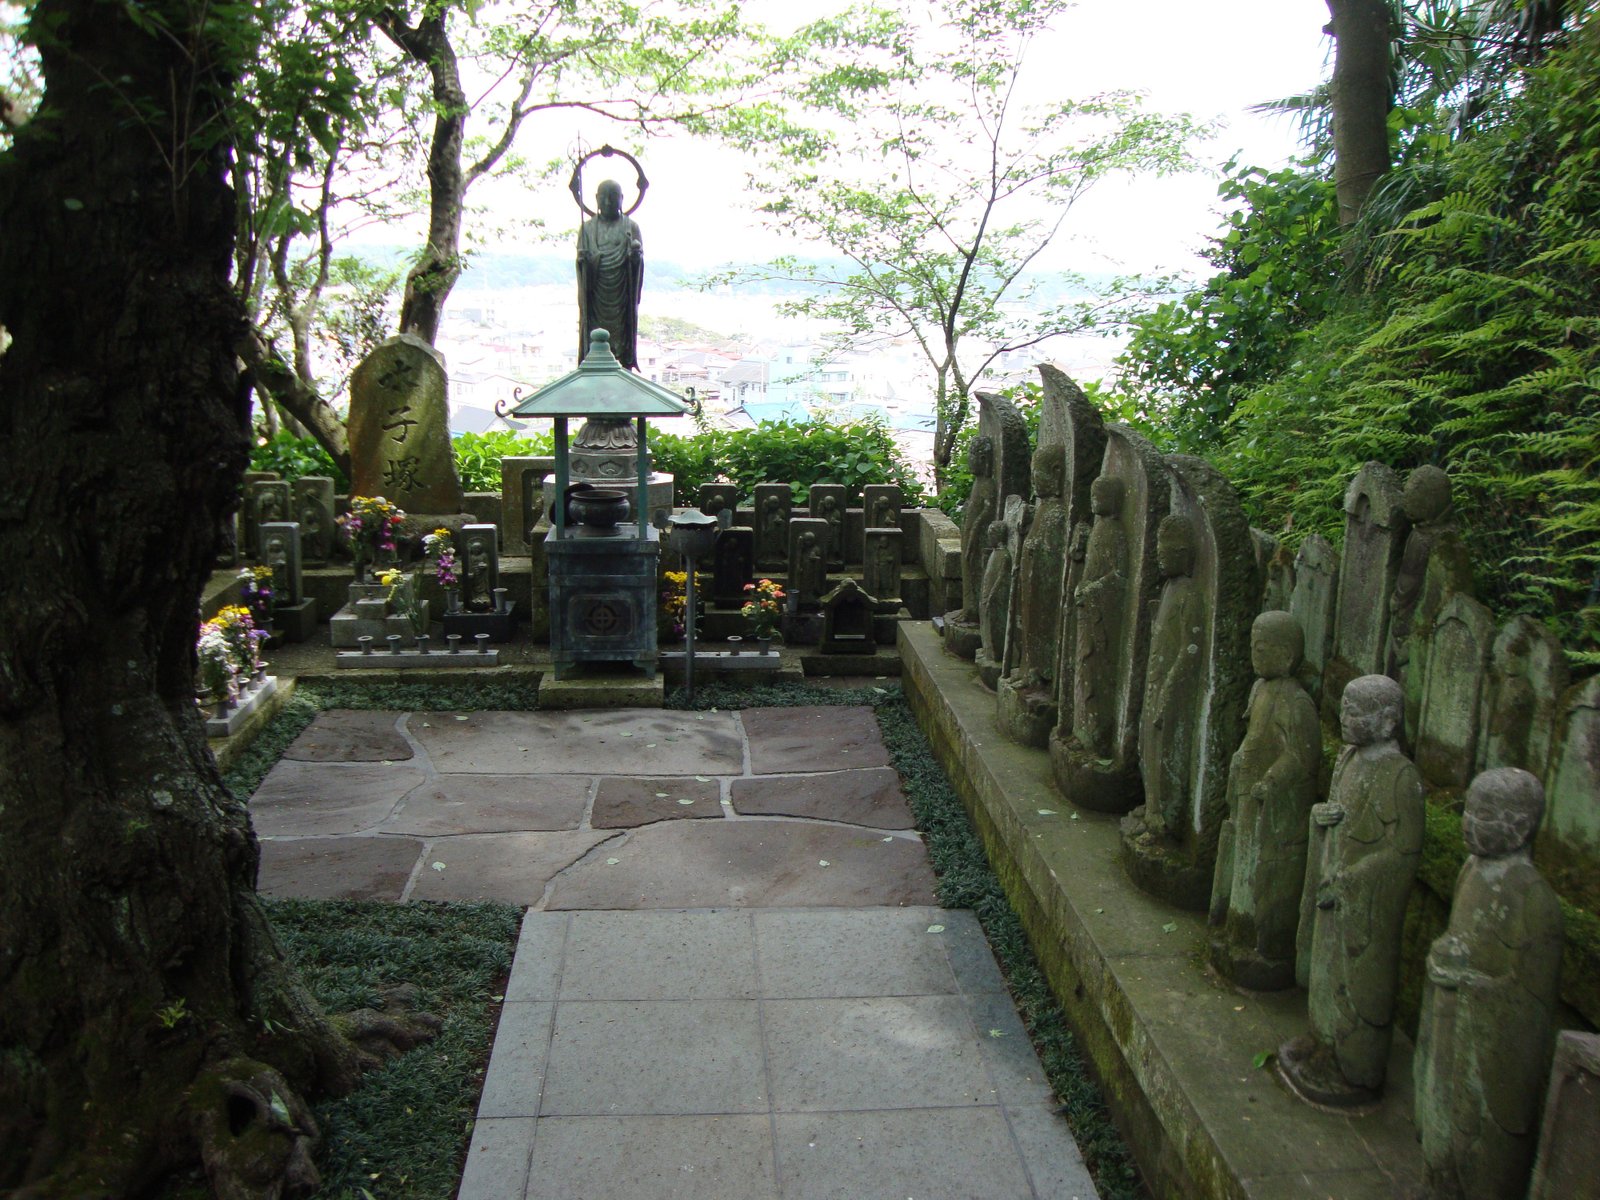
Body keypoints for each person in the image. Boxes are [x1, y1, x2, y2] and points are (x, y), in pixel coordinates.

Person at [576, 179, 643, 369]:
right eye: (603, 198)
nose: (607, 203)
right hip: (596, 294)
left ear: (621, 199)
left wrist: (634, 258)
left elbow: (637, 264)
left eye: (612, 198)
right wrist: (584, 262)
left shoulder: (631, 227)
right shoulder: (587, 229)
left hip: (621, 296)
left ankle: (623, 360)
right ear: (596, 199)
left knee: (621, 338)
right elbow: (582, 263)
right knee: (594, 333)